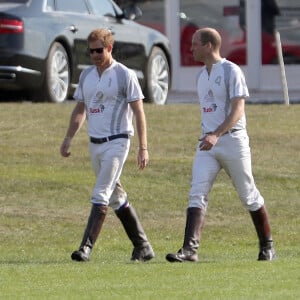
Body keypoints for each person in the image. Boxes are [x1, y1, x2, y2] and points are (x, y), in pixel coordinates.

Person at [166, 27, 276, 263]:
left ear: (208, 46)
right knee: (196, 193)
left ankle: (267, 246)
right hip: (207, 144)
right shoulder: (200, 76)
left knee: (248, 195)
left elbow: (238, 109)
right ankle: (189, 250)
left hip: (233, 141)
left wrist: (216, 134)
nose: (191, 48)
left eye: (195, 44)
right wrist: (209, 135)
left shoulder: (231, 71)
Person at [60, 28, 154, 262]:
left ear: (109, 48)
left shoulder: (124, 74)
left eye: (99, 50)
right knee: (115, 197)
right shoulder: (86, 76)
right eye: (91, 51)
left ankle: (85, 248)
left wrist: (143, 147)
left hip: (118, 141)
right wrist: (69, 137)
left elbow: (139, 112)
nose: (94, 55)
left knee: (101, 192)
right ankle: (143, 247)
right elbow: (80, 109)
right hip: (95, 144)